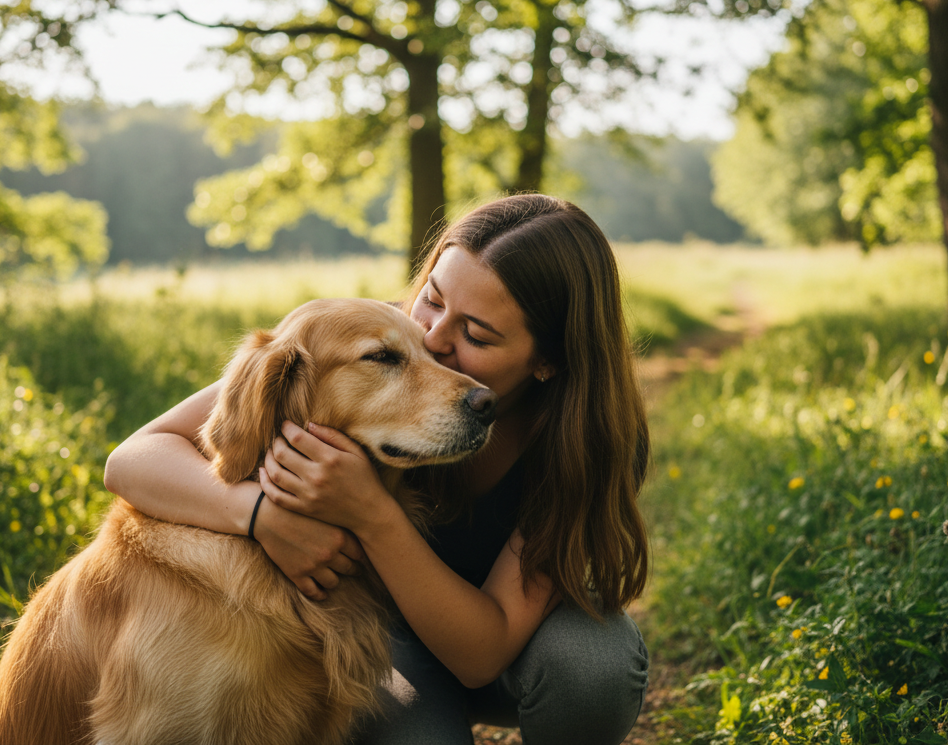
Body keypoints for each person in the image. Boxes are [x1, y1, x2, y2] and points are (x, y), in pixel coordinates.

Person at [104, 194, 650, 745]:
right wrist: (260, 515)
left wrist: (371, 513)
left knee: (593, 665)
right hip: (380, 641)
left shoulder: (589, 440)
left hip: (500, 651)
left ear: (547, 361)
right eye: (432, 299)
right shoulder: (383, 341)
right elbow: (133, 459)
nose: (434, 341)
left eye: (477, 335)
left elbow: (483, 654)